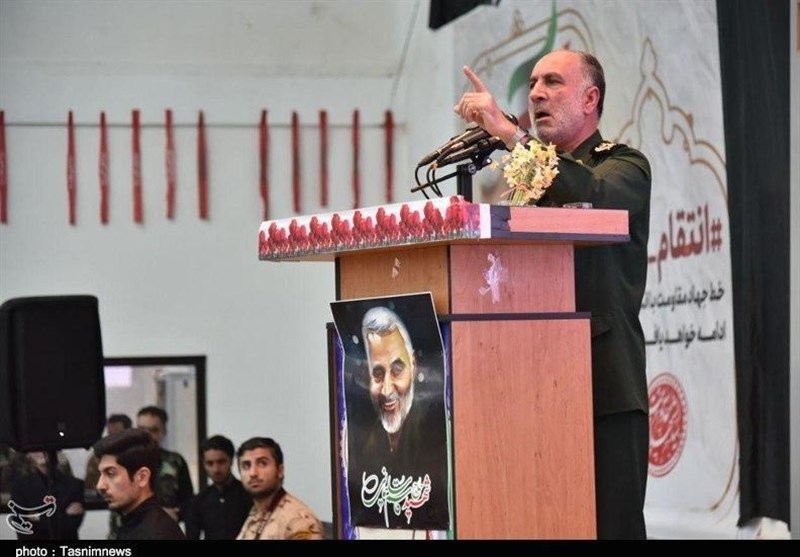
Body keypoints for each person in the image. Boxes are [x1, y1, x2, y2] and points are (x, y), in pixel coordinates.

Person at [454, 49, 651, 539]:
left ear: (590, 98)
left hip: (603, 386)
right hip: (531, 387)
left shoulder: (623, 166)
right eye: (533, 85)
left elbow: (591, 196)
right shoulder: (525, 185)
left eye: (553, 83)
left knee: (611, 528)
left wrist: (510, 135)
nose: (537, 94)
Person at [347, 305, 449, 531]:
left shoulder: (438, 437)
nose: (386, 389)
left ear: (413, 364)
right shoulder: (362, 444)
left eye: (396, 370)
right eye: (378, 374)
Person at [92, 428, 185, 540]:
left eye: (111, 473)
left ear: (142, 477)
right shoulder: (133, 523)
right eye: (101, 474)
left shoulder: (157, 534)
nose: (100, 485)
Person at [235, 437, 323, 540]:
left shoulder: (298, 520)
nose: (253, 473)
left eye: (262, 463)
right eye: (246, 466)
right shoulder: (256, 512)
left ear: (280, 471)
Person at [185, 435, 252, 539]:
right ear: (203, 464)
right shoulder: (198, 501)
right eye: (210, 463)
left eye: (221, 462)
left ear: (231, 460)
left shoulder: (249, 495)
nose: (216, 469)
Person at [136, 406, 194, 522]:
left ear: (164, 432)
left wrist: (176, 513)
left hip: (164, 528)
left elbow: (188, 502)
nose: (147, 435)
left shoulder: (175, 462)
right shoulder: (123, 461)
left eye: (153, 430)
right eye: (142, 429)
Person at [9, 451, 85, 540]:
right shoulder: (19, 486)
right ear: (29, 454)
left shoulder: (75, 485)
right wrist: (62, 515)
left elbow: (71, 527)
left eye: (44, 447)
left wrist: (36, 517)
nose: (40, 451)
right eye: (35, 448)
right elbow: (22, 527)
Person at [85, 413, 133, 489]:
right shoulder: (98, 458)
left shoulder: (136, 455)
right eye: (110, 433)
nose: (112, 437)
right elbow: (90, 485)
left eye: (117, 433)